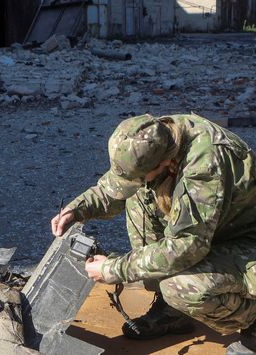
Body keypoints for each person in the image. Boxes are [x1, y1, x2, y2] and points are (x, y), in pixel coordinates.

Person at [51, 113, 256, 354]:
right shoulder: (156, 138)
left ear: (165, 162)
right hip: (216, 230)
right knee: (139, 194)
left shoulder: (204, 164)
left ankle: (252, 322)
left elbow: (186, 247)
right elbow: (118, 185)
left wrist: (113, 269)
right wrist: (78, 209)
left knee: (180, 287)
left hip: (247, 243)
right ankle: (173, 312)